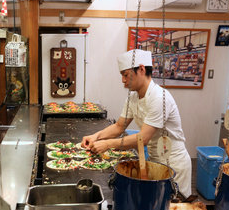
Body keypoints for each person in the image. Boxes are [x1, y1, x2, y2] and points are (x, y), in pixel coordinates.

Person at [81, 49, 192, 198]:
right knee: (157, 206)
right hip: (154, 160)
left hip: (173, 161)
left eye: (126, 75)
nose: (123, 80)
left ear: (141, 69)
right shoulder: (133, 98)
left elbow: (143, 138)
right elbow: (119, 126)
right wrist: (95, 137)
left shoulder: (159, 97)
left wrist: (107, 144)